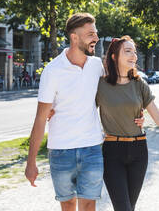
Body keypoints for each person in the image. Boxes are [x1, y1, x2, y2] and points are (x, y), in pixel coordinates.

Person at [25, 13, 144, 211]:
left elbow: (119, 88)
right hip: (61, 150)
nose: (96, 38)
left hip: (92, 148)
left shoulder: (97, 65)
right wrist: (31, 162)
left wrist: (138, 111)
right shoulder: (53, 70)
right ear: (74, 37)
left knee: (89, 204)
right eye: (90, 34)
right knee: (68, 205)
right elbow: (39, 119)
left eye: (95, 34)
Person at [96, 36, 159, 211]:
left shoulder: (140, 85)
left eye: (134, 52)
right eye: (127, 51)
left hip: (139, 151)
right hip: (112, 152)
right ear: (114, 56)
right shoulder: (101, 85)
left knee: (129, 207)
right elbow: (84, 110)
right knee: (123, 208)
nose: (134, 56)